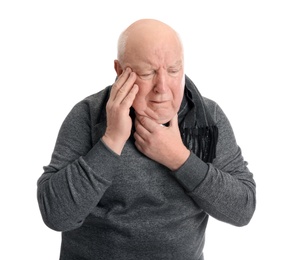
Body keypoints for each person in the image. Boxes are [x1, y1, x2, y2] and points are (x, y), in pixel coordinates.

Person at [37, 18, 256, 260]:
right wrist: (111, 140)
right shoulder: (88, 114)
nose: (162, 87)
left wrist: (179, 158)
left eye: (173, 70)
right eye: (147, 73)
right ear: (120, 72)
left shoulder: (207, 118)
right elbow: (56, 215)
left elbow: (242, 210)